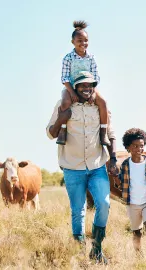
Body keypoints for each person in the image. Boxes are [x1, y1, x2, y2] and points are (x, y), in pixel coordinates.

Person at [46, 71, 118, 264]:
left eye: (90, 85)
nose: (87, 89)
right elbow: (50, 133)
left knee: (104, 204)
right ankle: (79, 254)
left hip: (96, 166)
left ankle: (97, 248)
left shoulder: (99, 107)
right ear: (75, 88)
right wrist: (63, 118)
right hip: (72, 167)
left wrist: (112, 158)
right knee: (78, 210)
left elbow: (110, 133)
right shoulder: (65, 105)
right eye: (82, 86)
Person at [57, 20, 110, 147]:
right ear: (73, 42)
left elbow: (96, 75)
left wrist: (92, 92)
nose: (83, 43)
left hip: (89, 86)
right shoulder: (68, 58)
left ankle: (103, 132)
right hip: (72, 87)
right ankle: (63, 129)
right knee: (65, 103)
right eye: (80, 40)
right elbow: (64, 78)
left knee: (103, 103)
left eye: (86, 40)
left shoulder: (91, 57)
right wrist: (71, 92)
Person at [118, 128, 146, 254]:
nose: (139, 149)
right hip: (132, 204)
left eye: (142, 146)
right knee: (137, 232)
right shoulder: (125, 165)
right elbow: (121, 184)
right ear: (128, 147)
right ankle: (138, 254)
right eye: (135, 146)